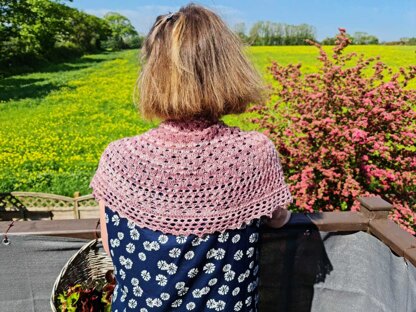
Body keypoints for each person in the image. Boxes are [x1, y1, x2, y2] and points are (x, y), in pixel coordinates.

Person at [89, 3, 292, 311]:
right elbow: (277, 218)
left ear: (154, 74)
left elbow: (109, 244)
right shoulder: (254, 152)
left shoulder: (119, 158)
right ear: (228, 69)